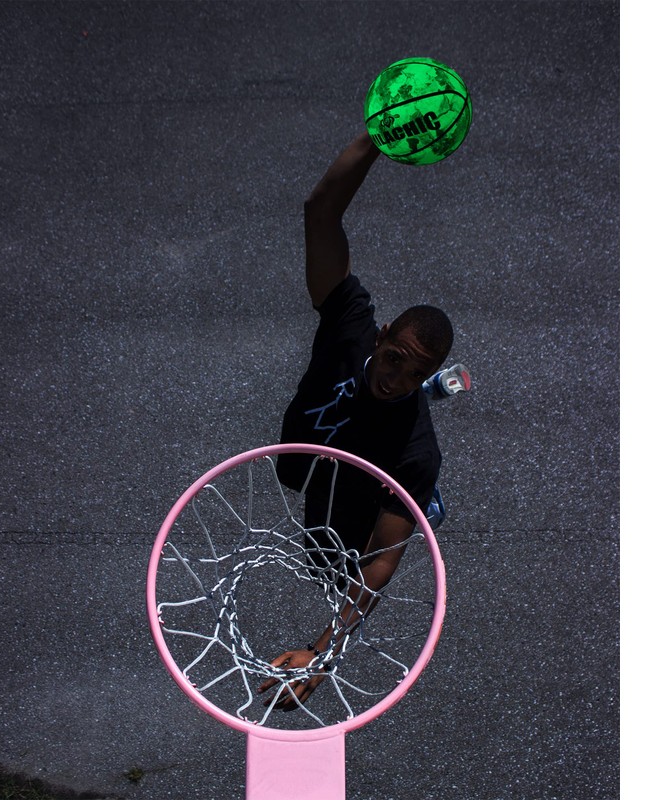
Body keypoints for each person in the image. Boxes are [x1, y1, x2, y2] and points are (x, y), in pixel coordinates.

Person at [257, 131, 469, 711]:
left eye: (412, 373)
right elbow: (320, 209)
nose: (393, 377)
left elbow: (381, 561)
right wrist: (378, 135)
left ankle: (424, 500)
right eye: (395, 359)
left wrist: (322, 654)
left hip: (366, 488)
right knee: (310, 500)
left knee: (342, 559)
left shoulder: (416, 452)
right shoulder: (351, 323)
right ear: (381, 337)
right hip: (319, 456)